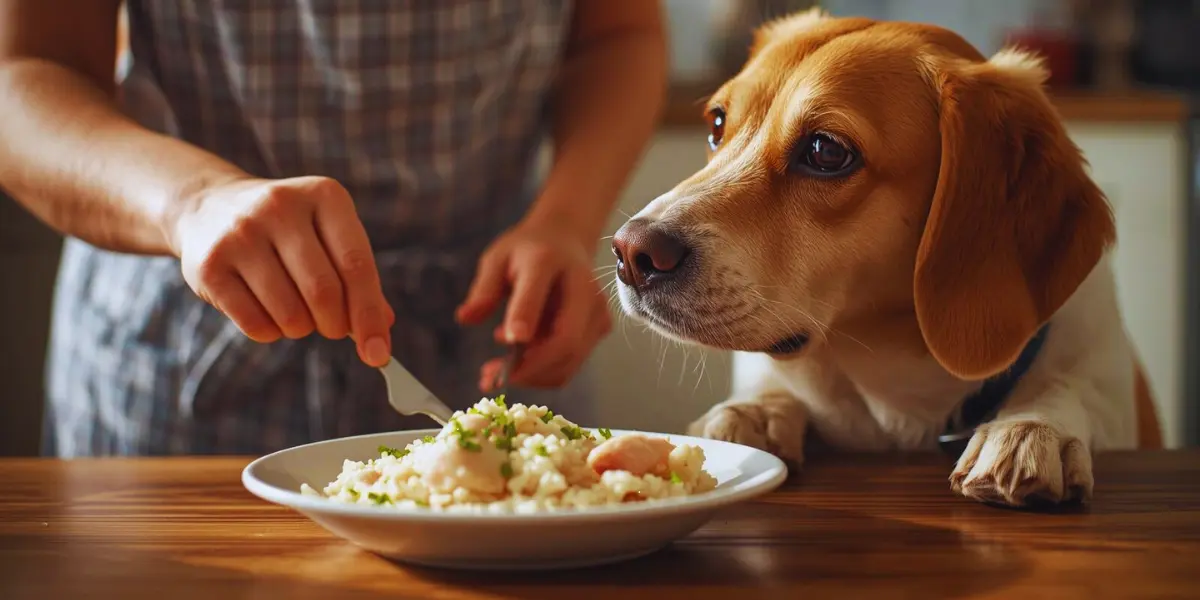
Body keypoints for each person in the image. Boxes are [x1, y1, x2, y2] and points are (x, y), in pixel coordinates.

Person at [0, 1, 666, 456]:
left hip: (495, 338)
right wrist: (192, 202)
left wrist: (567, 223)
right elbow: (21, 75)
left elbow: (616, 34)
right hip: (176, 380)